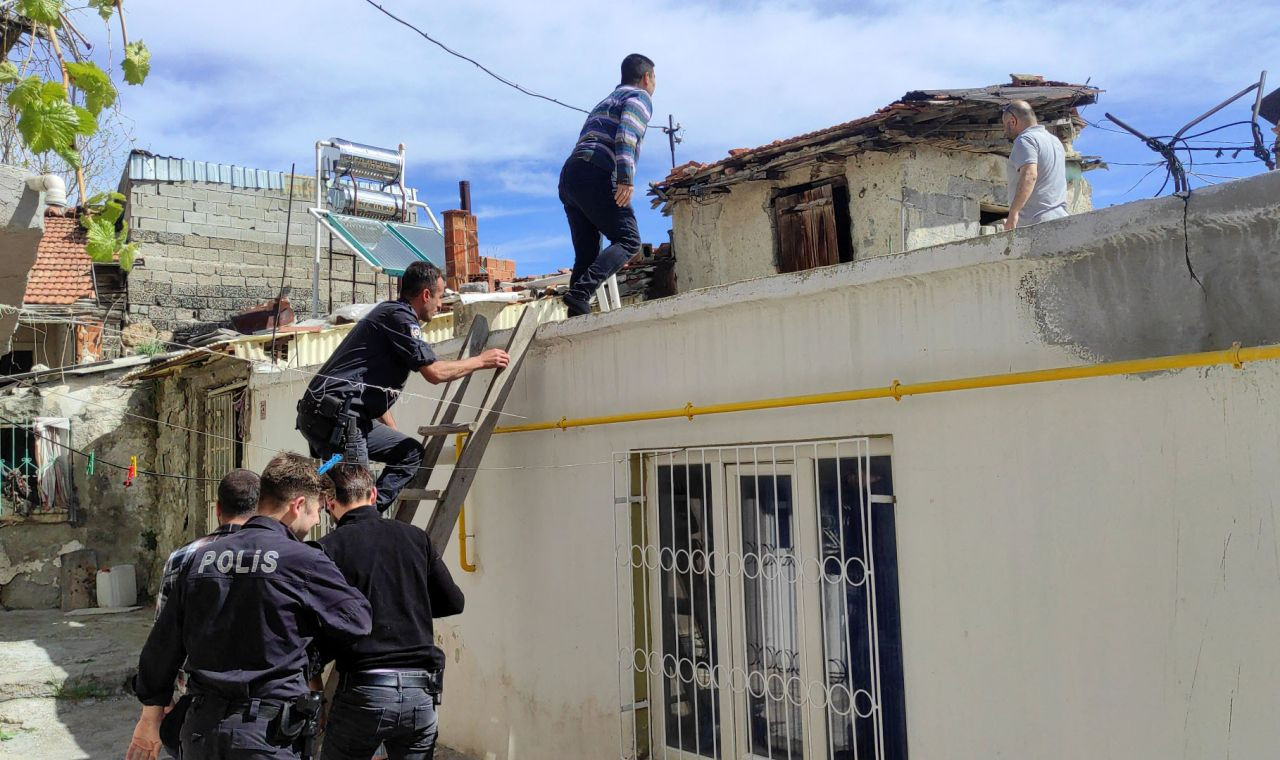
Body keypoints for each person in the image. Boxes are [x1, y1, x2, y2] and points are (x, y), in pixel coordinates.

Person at [130, 453, 373, 760]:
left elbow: (162, 647)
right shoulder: (303, 559)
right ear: (298, 505)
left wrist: (148, 720)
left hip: (201, 731)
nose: (314, 522)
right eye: (315, 512)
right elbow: (357, 620)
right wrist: (307, 645)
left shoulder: (199, 559)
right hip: (267, 733)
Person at [296, 261, 509, 512]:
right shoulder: (400, 317)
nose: (440, 305)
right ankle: (362, 519)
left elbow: (369, 388)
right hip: (336, 418)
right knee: (355, 498)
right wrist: (481, 360)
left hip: (330, 416)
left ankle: (369, 515)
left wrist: (393, 431)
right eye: (439, 297)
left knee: (409, 453)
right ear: (426, 294)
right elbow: (434, 373)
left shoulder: (389, 317)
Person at [314, 463, 464, 760]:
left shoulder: (327, 549)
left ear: (330, 503)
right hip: (420, 693)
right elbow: (453, 602)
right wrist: (407, 604)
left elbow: (315, 623)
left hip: (364, 690)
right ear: (374, 494)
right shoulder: (415, 537)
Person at [126, 469, 262, 760]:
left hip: (198, 699)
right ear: (260, 509)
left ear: (217, 510)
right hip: (261, 703)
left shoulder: (184, 557)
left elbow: (165, 634)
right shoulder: (276, 557)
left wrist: (159, 707)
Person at [558, 53, 656, 316]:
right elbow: (627, 133)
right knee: (628, 239)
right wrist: (625, 178)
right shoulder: (639, 98)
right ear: (647, 78)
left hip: (571, 175)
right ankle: (580, 293)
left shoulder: (605, 102)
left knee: (587, 253)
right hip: (596, 170)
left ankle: (576, 313)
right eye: (655, 79)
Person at [1001, 100, 1069, 229]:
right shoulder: (1056, 142)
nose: (1005, 132)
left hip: (1037, 223)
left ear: (1012, 121)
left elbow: (1030, 174)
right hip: (1061, 219)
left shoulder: (1025, 139)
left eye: (1005, 126)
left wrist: (1013, 214)